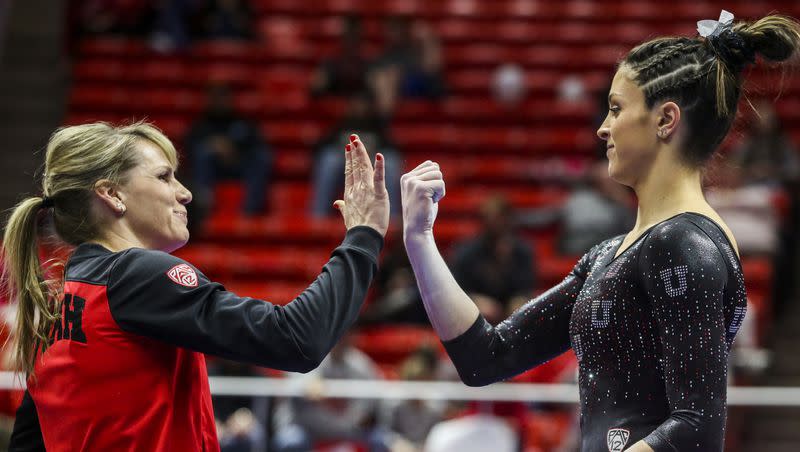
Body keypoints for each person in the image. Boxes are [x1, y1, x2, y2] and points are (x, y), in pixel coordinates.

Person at [399, 12, 799, 452]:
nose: (602, 127)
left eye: (616, 108)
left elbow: (696, 428)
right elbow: (487, 358)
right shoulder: (614, 254)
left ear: (666, 119)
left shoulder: (683, 245)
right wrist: (420, 241)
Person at [3, 122, 389, 451]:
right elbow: (295, 339)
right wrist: (364, 235)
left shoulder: (58, 301)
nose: (185, 192)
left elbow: (27, 443)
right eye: (163, 176)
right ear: (112, 194)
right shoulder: (136, 275)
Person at [186, 82, 272, 227]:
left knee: (261, 157)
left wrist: (234, 149)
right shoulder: (201, 124)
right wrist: (214, 146)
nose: (220, 102)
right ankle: (203, 206)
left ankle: (252, 210)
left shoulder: (242, 122)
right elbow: (188, 149)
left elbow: (257, 144)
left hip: (239, 165)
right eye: (216, 98)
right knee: (202, 154)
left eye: (223, 97)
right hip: (213, 168)